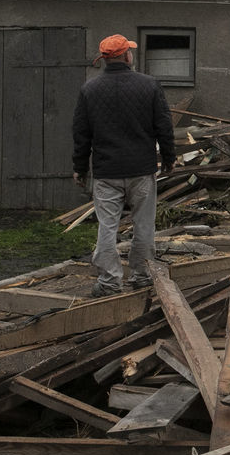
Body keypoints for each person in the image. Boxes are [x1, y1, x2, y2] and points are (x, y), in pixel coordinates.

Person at [71, 34, 175, 297]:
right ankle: (141, 276)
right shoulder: (149, 85)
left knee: (107, 226)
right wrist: (169, 159)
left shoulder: (89, 90)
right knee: (143, 224)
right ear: (126, 56)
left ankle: (109, 281)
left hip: (107, 171)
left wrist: (80, 167)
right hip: (141, 169)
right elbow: (164, 126)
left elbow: (81, 133)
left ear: (105, 59)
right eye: (130, 50)